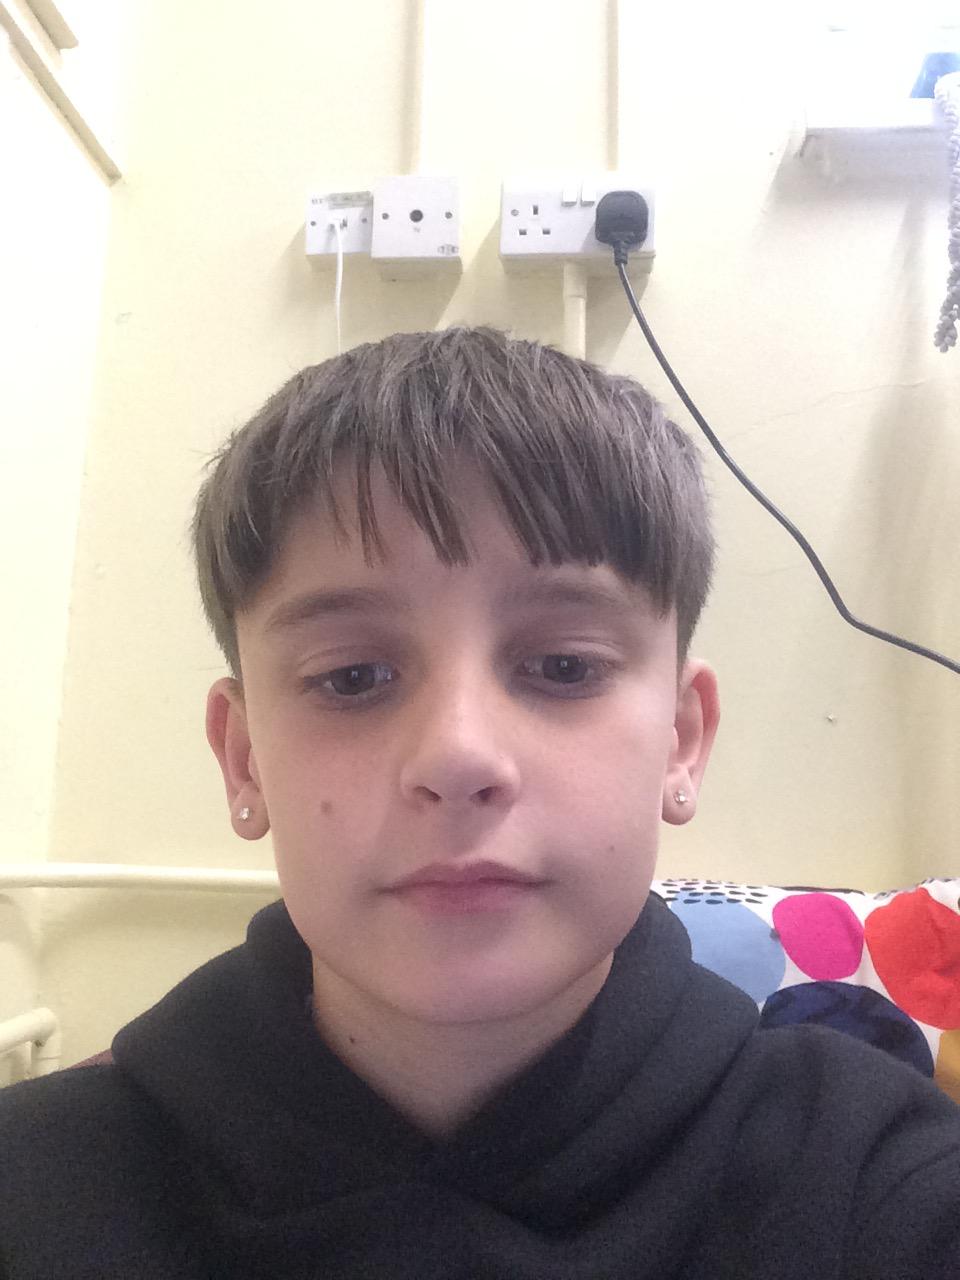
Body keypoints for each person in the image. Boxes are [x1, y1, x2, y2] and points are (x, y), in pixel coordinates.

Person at [0, 326, 958, 1279]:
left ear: (682, 738)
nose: (458, 756)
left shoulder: (878, 1182)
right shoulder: (36, 1188)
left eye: (563, 666)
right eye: (352, 677)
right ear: (244, 760)